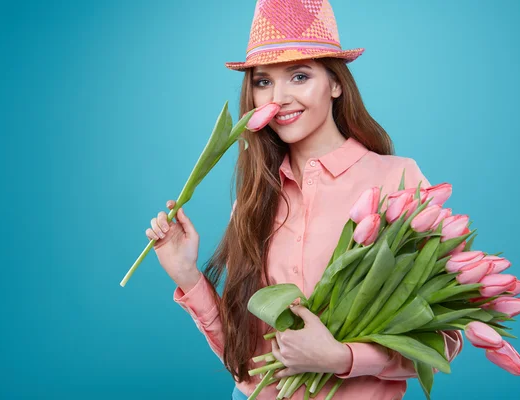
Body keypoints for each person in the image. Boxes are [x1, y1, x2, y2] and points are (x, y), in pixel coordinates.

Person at [147, 1, 463, 399]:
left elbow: (443, 336)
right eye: (263, 82)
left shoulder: (398, 180)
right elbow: (243, 356)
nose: (278, 98)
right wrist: (186, 274)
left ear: (335, 84)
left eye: (299, 76)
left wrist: (342, 357)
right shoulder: (255, 194)